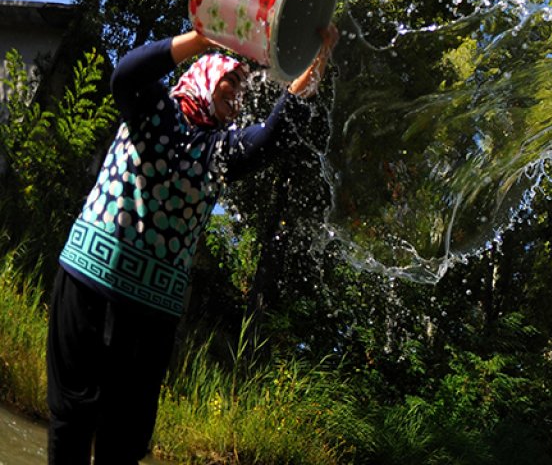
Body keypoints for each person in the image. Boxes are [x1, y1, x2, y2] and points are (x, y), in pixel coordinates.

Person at [46, 26, 337, 465]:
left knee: (123, 442)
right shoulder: (154, 110)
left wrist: (322, 54)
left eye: (243, 86)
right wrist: (203, 38)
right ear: (206, 74)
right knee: (72, 419)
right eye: (230, 80)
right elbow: (126, 74)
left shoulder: (219, 151)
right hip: (90, 285)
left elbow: (276, 132)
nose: (237, 93)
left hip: (151, 313)